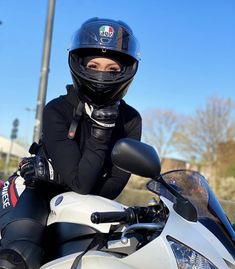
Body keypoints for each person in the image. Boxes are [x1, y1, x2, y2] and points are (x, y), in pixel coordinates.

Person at [0, 17, 142, 269]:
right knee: (19, 256)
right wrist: (101, 131)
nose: (102, 74)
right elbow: (80, 181)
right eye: (94, 65)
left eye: (112, 69)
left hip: (92, 202)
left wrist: (56, 174)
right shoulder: (57, 109)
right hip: (38, 191)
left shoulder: (131, 120)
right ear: (79, 65)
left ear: (126, 71)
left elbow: (112, 187)